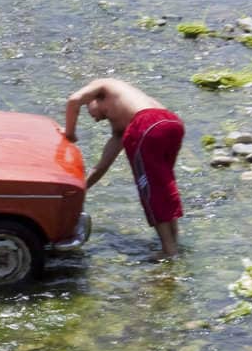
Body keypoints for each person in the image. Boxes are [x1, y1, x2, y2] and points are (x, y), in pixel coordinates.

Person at [63, 78, 185, 258]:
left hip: (147, 125)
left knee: (150, 190)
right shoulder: (122, 122)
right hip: (172, 123)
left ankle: (168, 250)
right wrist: (82, 188)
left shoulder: (103, 84)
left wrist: (70, 134)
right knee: (163, 186)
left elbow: (73, 100)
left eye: (90, 113)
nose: (95, 120)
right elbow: (102, 165)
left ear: (94, 99)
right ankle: (173, 244)